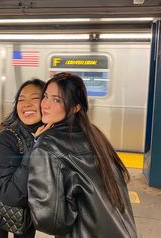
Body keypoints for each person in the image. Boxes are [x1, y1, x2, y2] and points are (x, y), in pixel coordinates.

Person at [28, 72, 137, 238]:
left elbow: (51, 220)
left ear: (75, 107)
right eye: (45, 96)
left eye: (56, 99)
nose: (45, 104)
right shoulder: (94, 134)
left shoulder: (47, 145)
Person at [0, 78, 45, 238]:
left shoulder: (48, 136)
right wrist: (35, 147)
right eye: (21, 100)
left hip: (29, 212)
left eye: (35, 98)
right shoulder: (5, 139)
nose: (26, 104)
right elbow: (9, 194)